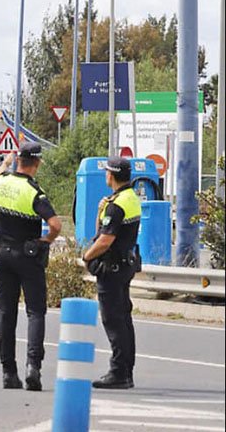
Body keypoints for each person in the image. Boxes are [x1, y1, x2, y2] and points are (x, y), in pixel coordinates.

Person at [0, 142, 62, 391]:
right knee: (35, 312)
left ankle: (8, 372)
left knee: (7, 313)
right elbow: (55, 225)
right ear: (38, 164)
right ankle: (33, 368)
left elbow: (1, 170)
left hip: (3, 255)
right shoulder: (34, 193)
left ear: (19, 160)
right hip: (27, 257)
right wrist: (46, 241)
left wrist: (8, 161)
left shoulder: (2, 183)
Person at [83, 156, 140, 389]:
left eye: (107, 171)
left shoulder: (116, 205)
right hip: (125, 265)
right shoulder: (130, 198)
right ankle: (126, 370)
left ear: (112, 175)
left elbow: (104, 240)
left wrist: (87, 256)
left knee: (113, 321)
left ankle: (119, 373)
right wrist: (100, 212)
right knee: (124, 319)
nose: (105, 175)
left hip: (112, 268)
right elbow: (102, 231)